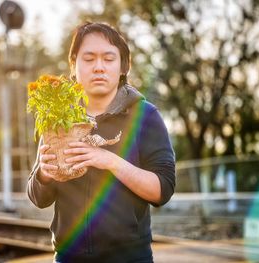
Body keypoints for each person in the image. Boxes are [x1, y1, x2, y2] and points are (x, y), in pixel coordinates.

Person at [27, 21, 175, 263]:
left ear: (123, 67)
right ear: (73, 65)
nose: (99, 67)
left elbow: (163, 190)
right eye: (89, 59)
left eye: (108, 58)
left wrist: (110, 161)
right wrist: (44, 173)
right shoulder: (57, 117)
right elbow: (38, 197)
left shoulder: (145, 117)